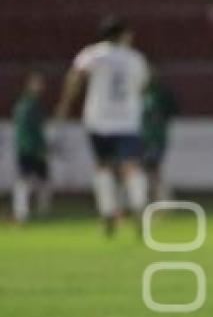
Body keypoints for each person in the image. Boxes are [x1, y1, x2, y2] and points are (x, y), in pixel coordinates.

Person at [54, 15, 150, 237]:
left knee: (103, 166)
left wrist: (65, 105)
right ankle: (138, 206)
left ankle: (107, 211)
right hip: (127, 121)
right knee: (131, 167)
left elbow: (75, 77)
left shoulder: (93, 54)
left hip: (98, 119)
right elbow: (143, 86)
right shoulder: (135, 58)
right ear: (124, 35)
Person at [12, 71, 51, 223]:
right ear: (29, 85)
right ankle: (22, 213)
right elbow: (32, 129)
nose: (41, 87)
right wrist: (39, 147)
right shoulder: (29, 105)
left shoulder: (29, 103)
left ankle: (38, 211)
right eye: (37, 83)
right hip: (30, 149)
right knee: (27, 180)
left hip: (28, 148)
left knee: (42, 180)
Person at [141, 68, 178, 203]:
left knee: (153, 167)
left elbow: (173, 111)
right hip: (137, 137)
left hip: (156, 137)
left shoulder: (161, 93)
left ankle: (161, 198)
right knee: (137, 168)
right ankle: (142, 198)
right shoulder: (134, 93)